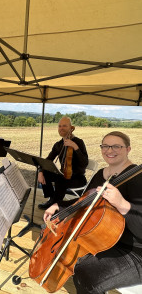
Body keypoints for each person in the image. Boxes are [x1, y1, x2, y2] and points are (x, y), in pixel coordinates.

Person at [43, 131, 142, 293]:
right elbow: (83, 202)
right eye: (105, 146)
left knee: (85, 275)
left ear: (128, 149)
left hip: (135, 252)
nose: (109, 150)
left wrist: (122, 204)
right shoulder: (101, 174)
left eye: (116, 146)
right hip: (104, 240)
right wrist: (59, 206)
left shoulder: (137, 178)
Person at [38, 116, 88, 209]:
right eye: (60, 126)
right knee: (46, 173)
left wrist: (74, 147)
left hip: (78, 178)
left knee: (61, 180)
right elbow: (48, 160)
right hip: (64, 175)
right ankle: (52, 199)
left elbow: (84, 163)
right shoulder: (58, 144)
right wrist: (41, 171)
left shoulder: (79, 142)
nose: (61, 128)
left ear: (70, 127)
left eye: (64, 126)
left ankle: (57, 205)